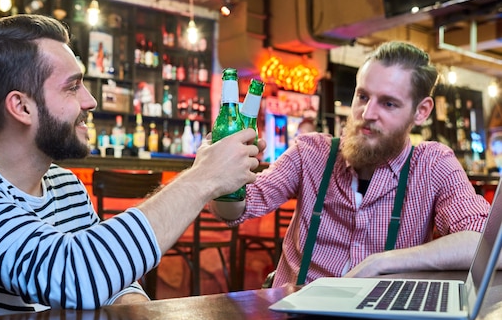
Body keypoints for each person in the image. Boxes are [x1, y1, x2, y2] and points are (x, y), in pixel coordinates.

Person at [0, 14, 261, 320]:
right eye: (73, 87)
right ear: (22, 107)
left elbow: (112, 283)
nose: (90, 101)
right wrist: (203, 178)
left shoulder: (65, 186)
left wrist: (140, 316)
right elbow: (74, 275)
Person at [211, 41, 492, 288]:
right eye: (363, 96)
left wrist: (384, 262)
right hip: (296, 319)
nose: (367, 114)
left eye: (389, 104)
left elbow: (491, 245)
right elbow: (236, 210)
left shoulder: (432, 165)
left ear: (421, 111)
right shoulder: (311, 153)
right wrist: (222, 178)